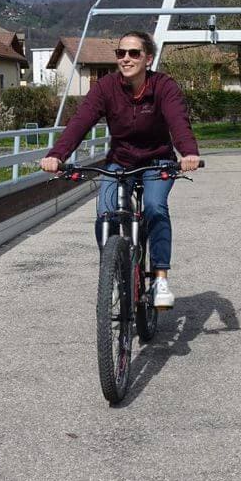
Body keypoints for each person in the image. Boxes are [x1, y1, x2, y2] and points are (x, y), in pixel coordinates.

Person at [40, 30, 200, 308]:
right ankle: (112, 274)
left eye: (134, 53)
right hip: (121, 161)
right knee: (106, 213)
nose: (126, 59)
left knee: (154, 207)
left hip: (157, 160)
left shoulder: (164, 86)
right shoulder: (106, 88)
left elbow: (178, 121)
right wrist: (57, 155)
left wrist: (188, 152)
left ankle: (160, 278)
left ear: (148, 58)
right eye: (121, 53)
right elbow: (81, 121)